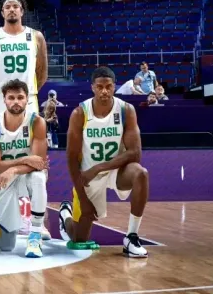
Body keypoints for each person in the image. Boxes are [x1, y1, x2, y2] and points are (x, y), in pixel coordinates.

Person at [0, 0, 49, 239]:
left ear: (22, 11)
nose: (11, 10)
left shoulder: (35, 36)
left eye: (16, 7)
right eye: (7, 7)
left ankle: (35, 217)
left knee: (34, 156)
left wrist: (25, 93)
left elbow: (41, 72)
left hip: (27, 98)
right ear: (2, 12)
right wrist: (2, 91)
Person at [58, 66, 149, 258]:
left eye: (108, 86)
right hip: (88, 177)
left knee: (141, 173)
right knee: (79, 238)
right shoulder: (80, 114)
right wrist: (83, 200)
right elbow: (72, 159)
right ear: (93, 88)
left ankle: (131, 237)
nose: (104, 91)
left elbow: (135, 153)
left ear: (114, 87)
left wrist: (100, 167)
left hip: (116, 170)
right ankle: (65, 215)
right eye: (100, 87)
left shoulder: (126, 110)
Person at [0, 79, 48, 257]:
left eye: (20, 97)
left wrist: (14, 169)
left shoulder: (37, 122)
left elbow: (40, 163)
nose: (16, 102)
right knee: (6, 246)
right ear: (4, 100)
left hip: (25, 176)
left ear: (28, 99)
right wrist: (26, 159)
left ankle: (35, 233)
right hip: (1, 180)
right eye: (11, 98)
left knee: (39, 177)